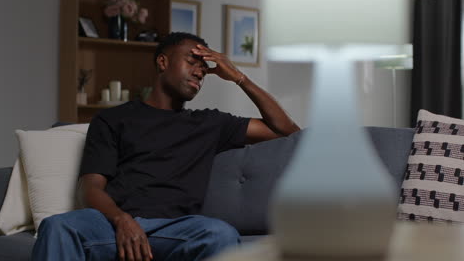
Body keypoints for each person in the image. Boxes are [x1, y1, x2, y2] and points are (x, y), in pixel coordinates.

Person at [31, 32, 300, 261]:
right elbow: (90, 188)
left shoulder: (209, 123)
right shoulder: (113, 119)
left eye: (204, 69)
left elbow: (286, 131)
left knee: (220, 234)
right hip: (111, 225)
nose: (200, 71)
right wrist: (122, 220)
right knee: (57, 226)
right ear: (163, 61)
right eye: (192, 61)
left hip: (176, 230)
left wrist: (239, 77)